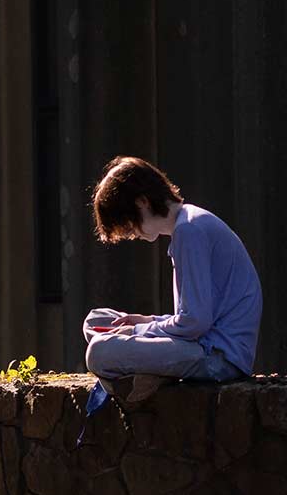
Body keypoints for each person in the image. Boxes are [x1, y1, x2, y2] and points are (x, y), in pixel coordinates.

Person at [81, 156, 261, 384]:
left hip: (218, 357)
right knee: (96, 320)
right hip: (203, 342)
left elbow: (194, 323)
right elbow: (194, 319)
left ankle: (149, 374)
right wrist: (143, 321)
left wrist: (138, 331)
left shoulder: (189, 231)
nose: (132, 235)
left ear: (142, 202)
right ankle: (150, 371)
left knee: (99, 353)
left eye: (127, 226)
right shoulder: (188, 224)